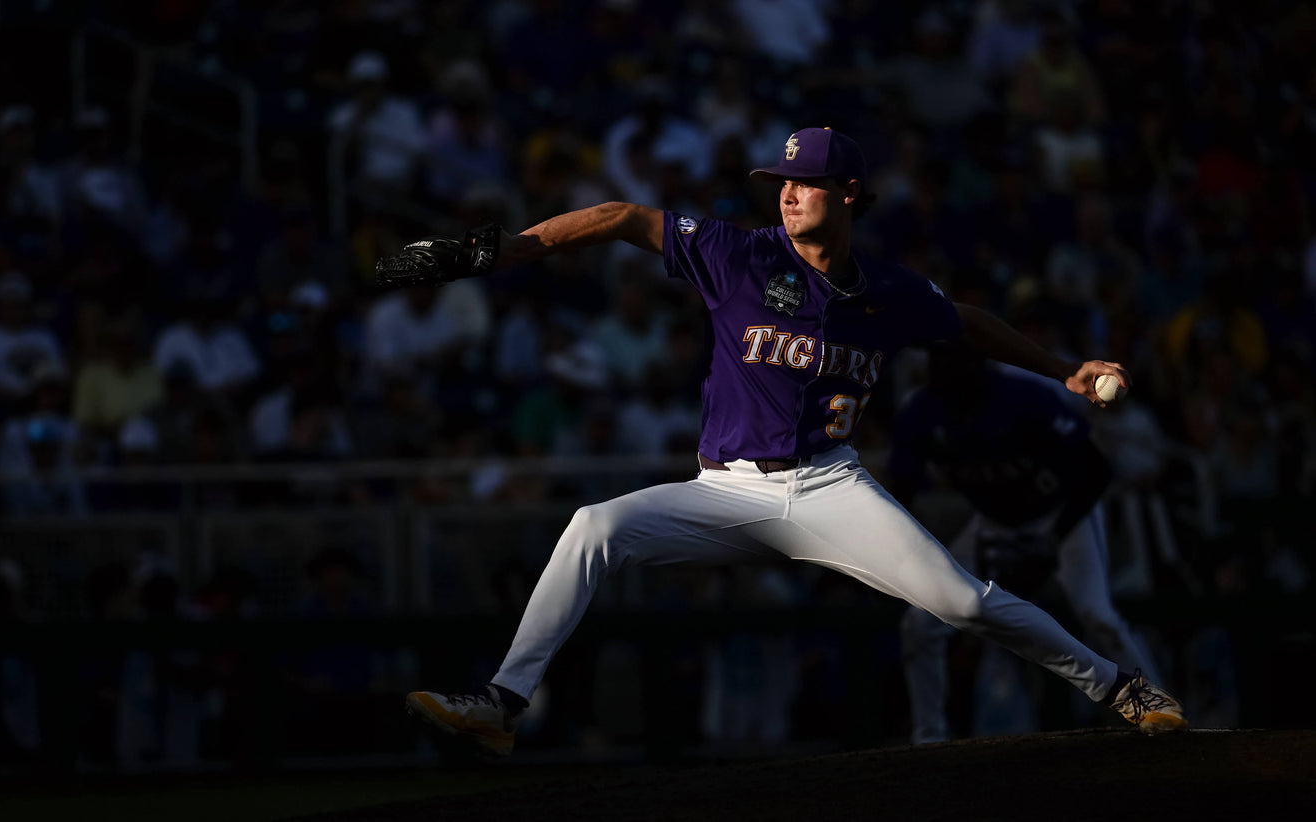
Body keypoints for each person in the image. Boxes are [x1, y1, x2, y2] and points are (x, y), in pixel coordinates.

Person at [400, 127, 1186, 757]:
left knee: (960, 602)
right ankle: (504, 703)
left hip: (828, 489)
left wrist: (1061, 371)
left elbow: (968, 323)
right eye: (779, 183)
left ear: (847, 194)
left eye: (803, 182)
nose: (785, 195)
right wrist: (499, 251)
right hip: (723, 491)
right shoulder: (737, 255)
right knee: (592, 528)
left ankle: (1121, 687)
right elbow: (618, 218)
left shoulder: (890, 292)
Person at [887, 342, 1164, 744]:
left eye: (959, 356)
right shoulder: (922, 412)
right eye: (939, 357)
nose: (948, 366)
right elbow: (902, 491)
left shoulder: (1022, 398)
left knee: (1099, 616)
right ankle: (928, 738)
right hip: (994, 523)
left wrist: (1052, 538)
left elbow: (1095, 471)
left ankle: (1158, 712)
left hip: (1064, 516)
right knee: (920, 623)